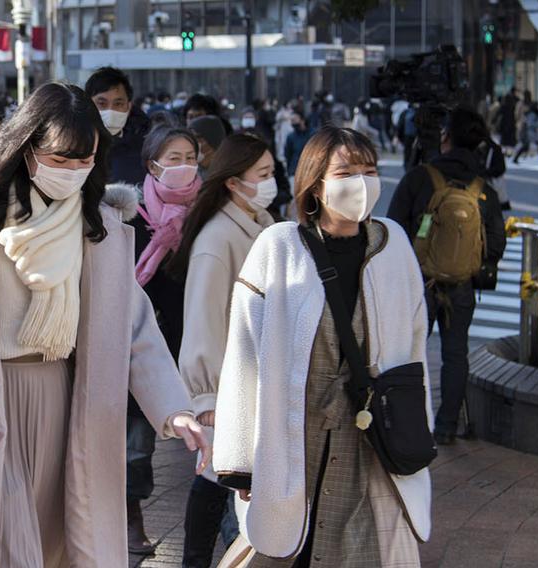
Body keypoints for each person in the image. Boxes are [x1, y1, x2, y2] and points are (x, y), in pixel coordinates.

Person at [0, 82, 209, 567]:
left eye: (84, 160)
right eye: (60, 159)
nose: (73, 172)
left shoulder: (100, 229)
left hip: (67, 402)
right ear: (27, 150)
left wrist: (174, 409)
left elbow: (135, 330)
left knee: (60, 543)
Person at [214, 126, 431, 567]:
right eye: (346, 171)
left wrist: (414, 427)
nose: (362, 182)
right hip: (294, 433)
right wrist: (240, 460)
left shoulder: (394, 245)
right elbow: (244, 355)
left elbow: (414, 343)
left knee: (369, 546)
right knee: (287, 543)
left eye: (369, 170)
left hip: (371, 435)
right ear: (315, 184)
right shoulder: (279, 247)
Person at [168, 134, 278, 568]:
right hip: (227, 389)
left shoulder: (262, 224)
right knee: (219, 479)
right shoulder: (218, 238)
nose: (272, 182)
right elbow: (202, 321)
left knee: (222, 479)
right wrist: (206, 397)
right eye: (264, 175)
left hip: (254, 380)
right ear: (234, 183)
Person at [388, 106, 506, 445]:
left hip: (419, 284)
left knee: (408, 351)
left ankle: (405, 422)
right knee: (456, 355)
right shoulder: (483, 188)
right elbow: (496, 241)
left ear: (446, 137)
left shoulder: (420, 177)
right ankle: (447, 427)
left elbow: (393, 228)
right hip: (462, 286)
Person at [126, 125, 202, 554]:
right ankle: (132, 518)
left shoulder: (206, 213)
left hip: (193, 340)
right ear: (152, 164)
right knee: (136, 443)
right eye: (173, 158)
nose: (183, 165)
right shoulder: (130, 215)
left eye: (189, 155)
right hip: (142, 343)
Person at [85, 66, 151, 185]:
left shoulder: (146, 148)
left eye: (118, 104)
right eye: (101, 104)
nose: (110, 111)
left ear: (129, 106)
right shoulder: (73, 147)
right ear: (88, 104)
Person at [284, 110, 313, 180]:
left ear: (302, 120)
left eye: (294, 120)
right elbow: (288, 155)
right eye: (291, 121)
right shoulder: (290, 137)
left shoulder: (313, 134)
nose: (293, 122)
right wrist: (289, 171)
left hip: (310, 171)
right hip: (295, 171)